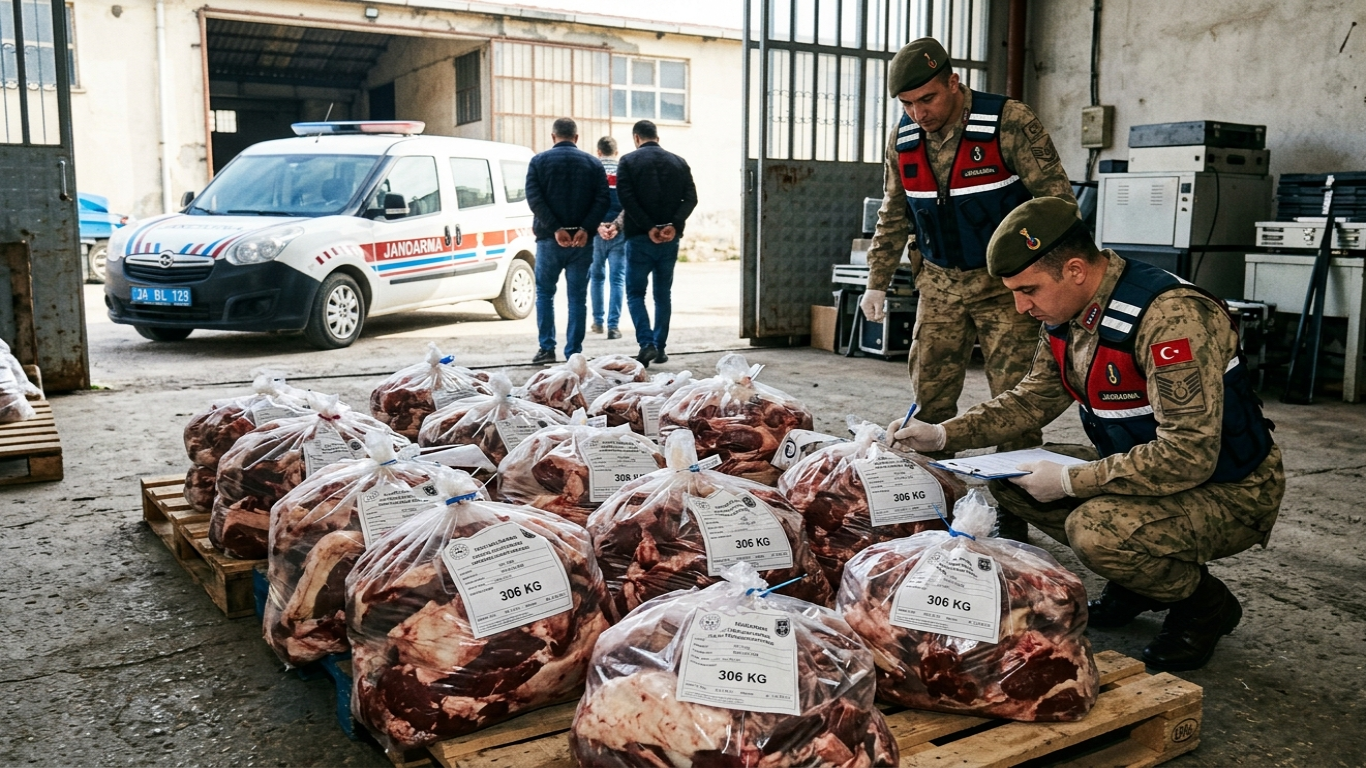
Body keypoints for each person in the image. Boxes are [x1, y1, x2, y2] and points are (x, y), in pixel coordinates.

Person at [888, 197, 1283, 672]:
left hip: (1230, 488)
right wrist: (941, 434)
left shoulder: (1170, 319)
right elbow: (1032, 398)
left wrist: (1070, 481)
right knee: (1011, 481)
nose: (1020, 306)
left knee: (1095, 532)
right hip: (1146, 469)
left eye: (1028, 290)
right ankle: (1138, 584)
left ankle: (1204, 605)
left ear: (1075, 270)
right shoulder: (1067, 312)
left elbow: (1189, 453)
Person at [863, 37, 1076, 539]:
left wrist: (1051, 282)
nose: (919, 113)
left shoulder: (1008, 122)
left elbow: (1057, 203)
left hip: (1007, 289)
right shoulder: (904, 138)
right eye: (907, 104)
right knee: (930, 399)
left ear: (954, 83)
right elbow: (894, 212)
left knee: (1016, 404)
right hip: (939, 283)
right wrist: (877, 281)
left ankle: (1014, 520)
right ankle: (934, 506)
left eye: (928, 99)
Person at [523, 118, 610, 365]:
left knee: (544, 293)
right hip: (582, 243)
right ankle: (573, 352)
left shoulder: (538, 161)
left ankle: (546, 348)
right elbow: (602, 199)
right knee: (577, 298)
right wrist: (585, 229)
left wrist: (556, 229)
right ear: (576, 137)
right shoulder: (593, 163)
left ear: (553, 137)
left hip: (549, 241)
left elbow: (534, 199)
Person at [616, 120, 698, 367]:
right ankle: (660, 347)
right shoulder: (679, 162)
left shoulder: (628, 161)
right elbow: (691, 198)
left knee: (635, 293)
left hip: (640, 238)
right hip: (669, 240)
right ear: (657, 137)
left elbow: (626, 199)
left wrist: (648, 226)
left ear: (636, 138)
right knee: (663, 294)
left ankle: (647, 343)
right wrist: (672, 224)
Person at [590, 136, 626, 340]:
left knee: (596, 277)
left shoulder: (592, 170)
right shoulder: (624, 171)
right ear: (616, 152)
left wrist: (598, 225)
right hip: (619, 231)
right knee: (617, 279)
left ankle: (598, 321)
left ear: (598, 152)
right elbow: (629, 202)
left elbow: (587, 201)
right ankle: (613, 326)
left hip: (596, 232)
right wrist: (616, 225)